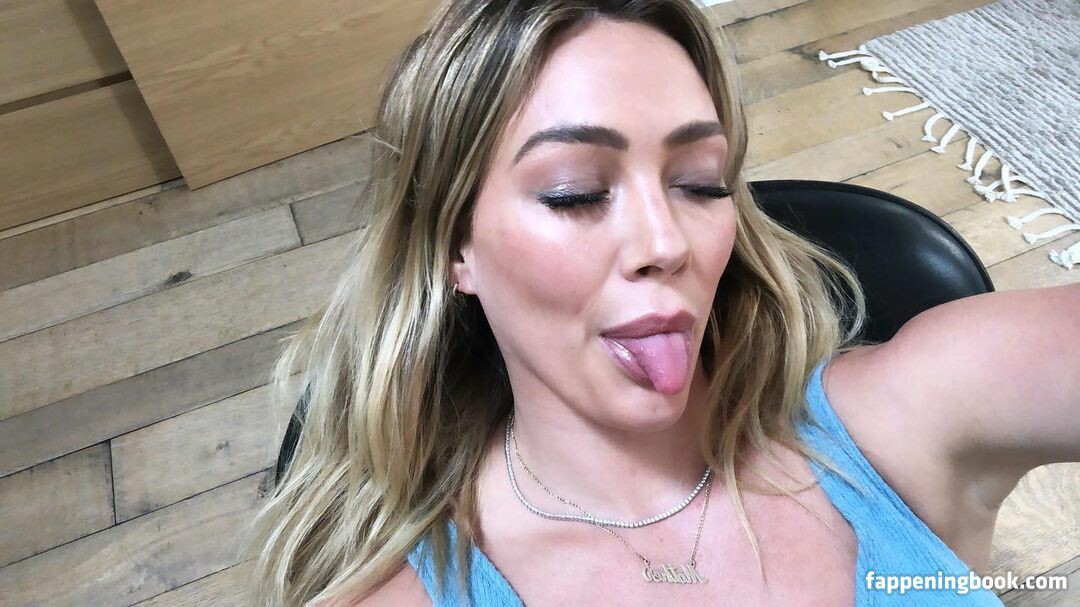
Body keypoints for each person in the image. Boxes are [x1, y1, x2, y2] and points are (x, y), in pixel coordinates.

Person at [240, 1, 1080, 605]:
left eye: (700, 182)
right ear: (456, 248)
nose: (666, 241)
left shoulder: (911, 417)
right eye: (574, 193)